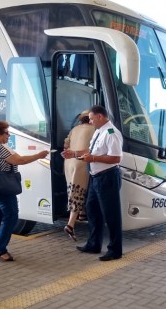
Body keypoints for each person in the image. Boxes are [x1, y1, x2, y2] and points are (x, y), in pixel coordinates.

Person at [62, 105, 123, 261]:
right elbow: (90, 152)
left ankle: (115, 250)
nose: (89, 120)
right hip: (95, 177)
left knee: (111, 215)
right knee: (92, 210)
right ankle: (94, 244)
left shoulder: (111, 133)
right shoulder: (98, 131)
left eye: (91, 118)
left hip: (107, 177)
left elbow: (116, 158)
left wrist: (93, 159)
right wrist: (73, 154)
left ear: (100, 116)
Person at [0, 121, 49, 261]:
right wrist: (39, 155)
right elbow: (21, 160)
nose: (9, 135)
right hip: (3, 188)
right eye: (7, 133)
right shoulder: (1, 148)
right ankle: (0, 250)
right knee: (11, 216)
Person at [62, 111, 95, 240]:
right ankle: (70, 225)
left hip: (69, 163)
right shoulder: (94, 129)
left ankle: (82, 214)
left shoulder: (74, 129)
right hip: (81, 162)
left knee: (72, 189)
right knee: (78, 191)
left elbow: (66, 145)